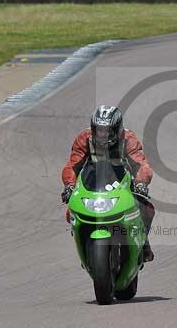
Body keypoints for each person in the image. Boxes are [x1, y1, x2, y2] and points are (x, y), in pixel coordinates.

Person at [61, 105, 155, 262]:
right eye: (99, 129)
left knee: (147, 209)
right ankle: (83, 241)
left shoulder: (128, 139)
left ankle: (144, 243)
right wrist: (69, 186)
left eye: (107, 130)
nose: (102, 134)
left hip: (121, 183)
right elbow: (72, 165)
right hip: (93, 183)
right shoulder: (85, 138)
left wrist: (141, 183)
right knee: (70, 213)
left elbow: (141, 165)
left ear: (117, 129)